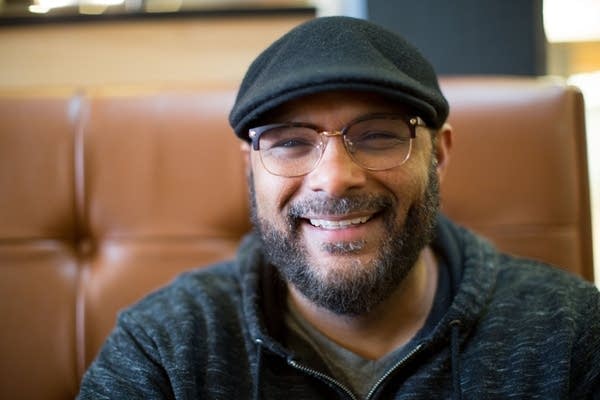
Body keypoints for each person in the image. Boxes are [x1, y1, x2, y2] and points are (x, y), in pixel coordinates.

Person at [78, 16, 600, 399]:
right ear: (250, 166)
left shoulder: (570, 334)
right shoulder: (165, 348)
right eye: (290, 142)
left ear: (438, 153)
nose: (334, 177)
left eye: (376, 136)